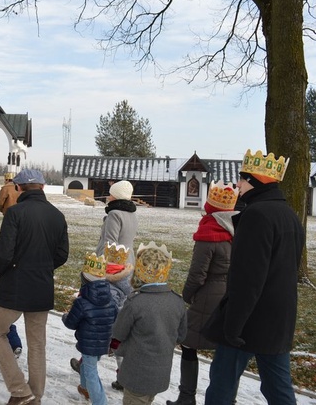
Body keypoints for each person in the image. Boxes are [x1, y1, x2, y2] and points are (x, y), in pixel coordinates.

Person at [204, 150, 304, 405]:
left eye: (243, 178)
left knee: (222, 385)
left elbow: (248, 277)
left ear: (256, 182)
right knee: (278, 389)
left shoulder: (256, 215)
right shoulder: (290, 216)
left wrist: (233, 325)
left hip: (248, 321)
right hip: (278, 319)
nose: (238, 184)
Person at [0, 168, 69, 405]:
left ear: (19, 188)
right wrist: (42, 267)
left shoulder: (15, 213)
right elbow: (62, 254)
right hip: (41, 285)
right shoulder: (57, 215)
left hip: (15, 284)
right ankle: (35, 395)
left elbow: (4, 253)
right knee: (36, 344)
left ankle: (21, 390)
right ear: (43, 187)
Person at [166, 181, 239, 405]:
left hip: (207, 297)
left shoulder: (209, 231)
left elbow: (197, 274)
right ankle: (226, 398)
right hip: (231, 293)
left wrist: (187, 296)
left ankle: (186, 397)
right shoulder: (239, 229)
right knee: (224, 350)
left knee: (189, 344)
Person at [111, 242, 187, 405]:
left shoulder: (135, 303)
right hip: (160, 372)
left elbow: (118, 332)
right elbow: (181, 335)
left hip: (136, 374)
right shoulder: (177, 302)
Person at [94, 179, 138, 391]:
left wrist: (96, 266)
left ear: (115, 196)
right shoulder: (132, 213)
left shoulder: (114, 214)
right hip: (128, 265)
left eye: (110, 194)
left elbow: (109, 244)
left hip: (112, 269)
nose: (108, 197)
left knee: (103, 316)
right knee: (120, 318)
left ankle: (88, 362)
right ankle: (124, 374)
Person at [62, 252, 118, 405]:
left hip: (88, 343)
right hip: (103, 342)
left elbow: (71, 323)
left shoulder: (82, 302)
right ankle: (85, 387)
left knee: (91, 370)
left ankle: (100, 401)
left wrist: (65, 317)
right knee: (87, 365)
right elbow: (116, 318)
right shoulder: (110, 300)